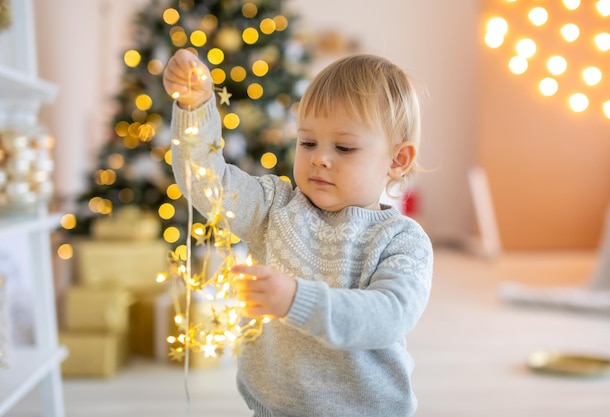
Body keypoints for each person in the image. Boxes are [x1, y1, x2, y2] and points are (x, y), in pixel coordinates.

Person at [163, 48, 433, 417]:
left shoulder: (402, 240)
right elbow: (205, 181)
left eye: (344, 147)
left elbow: (388, 317)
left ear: (397, 160)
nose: (319, 158)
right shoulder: (275, 207)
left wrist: (295, 299)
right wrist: (195, 109)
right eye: (308, 142)